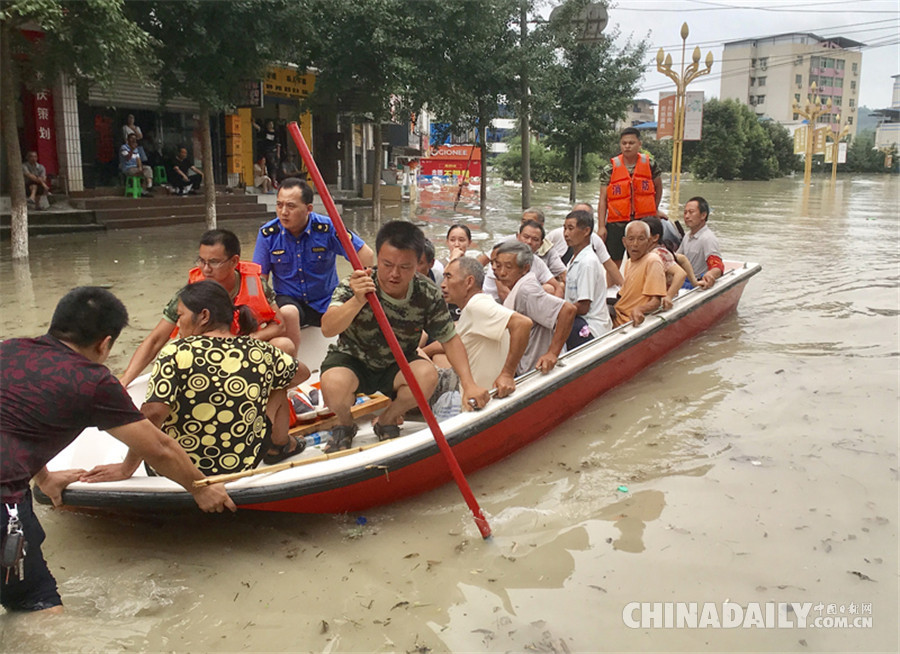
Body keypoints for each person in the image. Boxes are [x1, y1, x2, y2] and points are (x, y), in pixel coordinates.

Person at [0, 287, 235, 613]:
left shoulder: (8, 350)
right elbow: (159, 447)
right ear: (105, 343)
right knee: (37, 609)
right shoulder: (91, 381)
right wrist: (200, 488)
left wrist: (44, 479)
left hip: (12, 485)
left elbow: (14, 426)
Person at [82, 281, 311, 481]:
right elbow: (303, 373)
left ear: (203, 316)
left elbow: (153, 414)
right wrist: (255, 387)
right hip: (242, 463)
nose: (178, 323)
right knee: (278, 386)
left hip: (178, 470)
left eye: (180, 315)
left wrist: (126, 468)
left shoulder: (176, 351)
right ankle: (279, 445)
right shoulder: (260, 351)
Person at [319, 221, 490, 452]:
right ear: (377, 257)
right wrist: (358, 300)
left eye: (405, 267)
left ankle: (388, 419)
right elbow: (328, 328)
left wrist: (469, 384)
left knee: (427, 376)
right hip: (353, 358)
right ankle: (345, 424)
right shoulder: (357, 283)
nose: (394, 274)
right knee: (332, 386)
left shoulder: (427, 292)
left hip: (397, 362)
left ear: (419, 263)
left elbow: (450, 339)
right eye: (387, 264)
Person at [120, 229, 299, 388]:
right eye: (201, 261)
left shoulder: (254, 284)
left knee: (284, 345)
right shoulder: (193, 292)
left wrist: (249, 340)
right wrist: (125, 380)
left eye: (214, 262)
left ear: (234, 261)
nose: (206, 269)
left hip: (245, 351)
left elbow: (279, 325)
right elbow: (156, 339)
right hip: (206, 356)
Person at [253, 178, 375, 327]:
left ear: (309, 208)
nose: (283, 212)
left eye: (291, 206)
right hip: (288, 301)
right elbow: (259, 280)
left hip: (326, 301)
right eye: (279, 205)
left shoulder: (327, 228)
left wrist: (356, 289)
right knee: (288, 313)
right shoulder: (268, 235)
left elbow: (365, 254)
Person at [424, 256, 532, 399]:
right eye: (443, 278)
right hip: (476, 392)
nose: (443, 285)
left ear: (469, 282)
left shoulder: (477, 305)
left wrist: (507, 374)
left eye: (449, 277)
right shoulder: (475, 307)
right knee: (433, 356)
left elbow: (523, 324)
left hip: (479, 397)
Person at [494, 241, 577, 375]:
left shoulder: (527, 291)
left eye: (508, 267)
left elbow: (567, 310)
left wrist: (552, 353)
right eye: (498, 266)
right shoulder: (520, 287)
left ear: (525, 268)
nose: (502, 272)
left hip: (535, 371)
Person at [597, 127, 663, 266]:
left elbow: (658, 187)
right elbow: (603, 200)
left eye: (631, 143)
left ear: (639, 144)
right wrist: (601, 226)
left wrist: (654, 209)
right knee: (615, 260)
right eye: (624, 143)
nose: (627, 146)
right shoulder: (610, 169)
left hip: (644, 221)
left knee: (644, 259)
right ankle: (617, 286)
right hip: (617, 223)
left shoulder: (650, 165)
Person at [562, 209, 612, 349]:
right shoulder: (574, 259)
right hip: (580, 319)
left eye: (571, 229)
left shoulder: (587, 263)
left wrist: (557, 312)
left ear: (586, 231)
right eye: (564, 228)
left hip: (590, 326)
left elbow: (583, 307)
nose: (566, 234)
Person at [613, 221, 667, 327]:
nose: (635, 244)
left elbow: (656, 301)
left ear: (649, 241)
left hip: (628, 320)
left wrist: (640, 309)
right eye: (631, 239)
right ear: (624, 242)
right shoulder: (629, 262)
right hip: (618, 315)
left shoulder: (652, 261)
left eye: (641, 239)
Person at [643, 216, 697, 310]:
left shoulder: (658, 253)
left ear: (655, 237)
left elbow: (681, 274)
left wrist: (668, 296)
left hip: (659, 300)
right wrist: (694, 281)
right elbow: (682, 258)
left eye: (643, 235)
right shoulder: (646, 252)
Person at [676, 196, 724, 289]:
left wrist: (710, 275)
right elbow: (677, 257)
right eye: (685, 212)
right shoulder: (688, 236)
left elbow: (717, 265)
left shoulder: (708, 238)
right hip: (685, 280)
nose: (686, 216)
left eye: (691, 212)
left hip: (696, 284)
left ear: (703, 215)